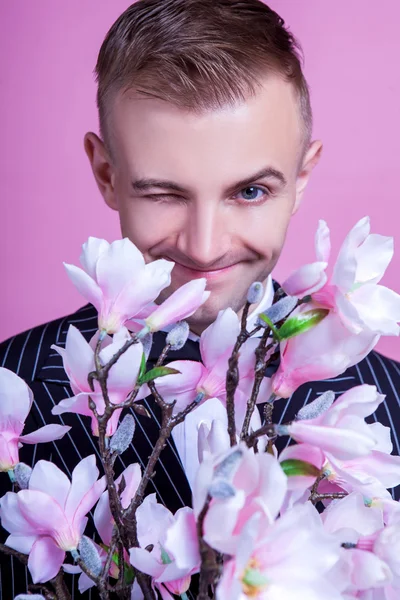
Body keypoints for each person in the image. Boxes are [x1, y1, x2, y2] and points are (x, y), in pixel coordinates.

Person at [1, 1, 400, 598]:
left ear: (302, 178)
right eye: (163, 193)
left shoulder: (393, 405)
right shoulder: (13, 382)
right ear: (107, 174)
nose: (205, 246)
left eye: (250, 190)